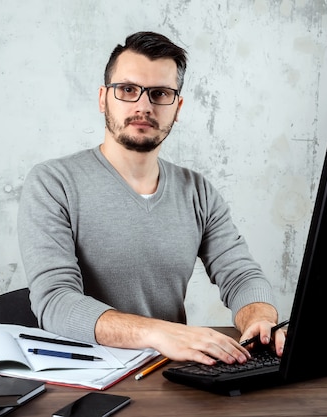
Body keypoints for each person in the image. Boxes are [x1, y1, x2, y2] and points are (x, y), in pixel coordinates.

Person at [17, 31, 285, 366]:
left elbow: (241, 275)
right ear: (103, 98)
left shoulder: (197, 191)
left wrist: (258, 319)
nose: (143, 106)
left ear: (177, 107)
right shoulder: (53, 183)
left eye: (160, 93)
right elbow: (55, 301)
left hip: (168, 376)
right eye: (128, 90)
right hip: (80, 377)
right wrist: (159, 333)